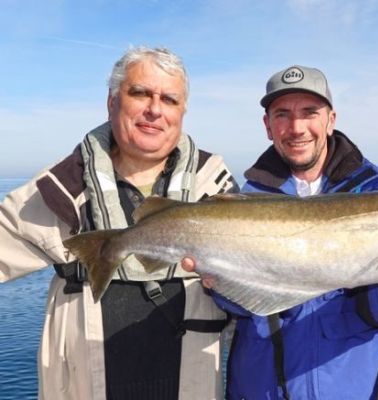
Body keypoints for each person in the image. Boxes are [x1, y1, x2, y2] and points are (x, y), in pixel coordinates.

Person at [183, 65, 378, 399]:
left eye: (310, 113)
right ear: (268, 127)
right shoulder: (245, 200)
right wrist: (222, 284)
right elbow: (245, 309)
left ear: (330, 119)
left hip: (349, 389)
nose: (297, 127)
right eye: (282, 114)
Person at [0, 47, 238, 400]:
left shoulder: (217, 189)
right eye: (140, 93)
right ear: (112, 102)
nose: (154, 109)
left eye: (169, 99)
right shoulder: (63, 189)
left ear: (182, 112)